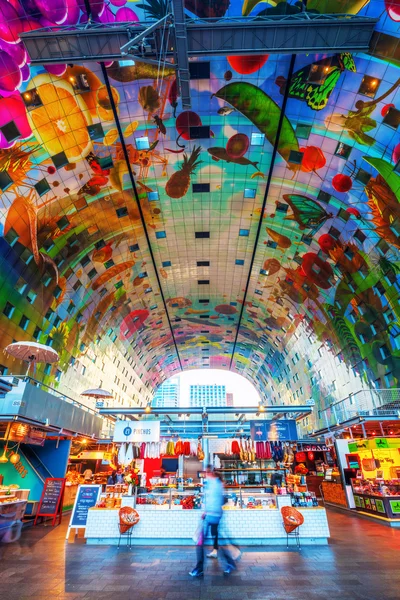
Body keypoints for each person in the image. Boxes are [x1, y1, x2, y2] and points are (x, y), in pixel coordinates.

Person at [189, 465, 236, 578]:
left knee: (201, 543)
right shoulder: (213, 484)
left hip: (212, 516)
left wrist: (207, 512)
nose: (205, 475)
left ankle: (200, 568)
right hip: (212, 516)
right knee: (216, 540)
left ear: (209, 473)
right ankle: (230, 563)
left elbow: (216, 501)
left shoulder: (215, 485)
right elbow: (211, 500)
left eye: (206, 473)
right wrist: (205, 511)